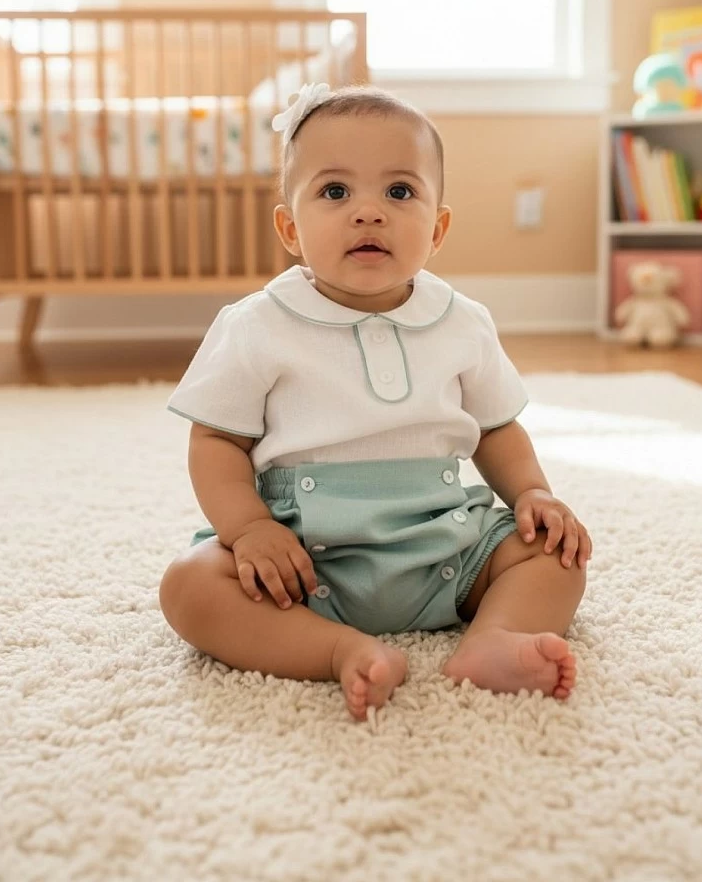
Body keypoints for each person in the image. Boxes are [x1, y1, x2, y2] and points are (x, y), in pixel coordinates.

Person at [159, 83, 591, 721]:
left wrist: (533, 493)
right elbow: (216, 441)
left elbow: (497, 428)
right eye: (335, 193)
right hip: (302, 564)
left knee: (558, 556)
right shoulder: (259, 324)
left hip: (447, 548)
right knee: (190, 587)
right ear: (290, 227)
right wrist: (248, 530)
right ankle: (336, 649)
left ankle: (493, 639)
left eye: (399, 191)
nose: (369, 213)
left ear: (438, 227)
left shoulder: (460, 321)